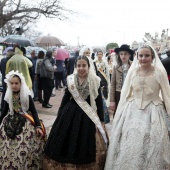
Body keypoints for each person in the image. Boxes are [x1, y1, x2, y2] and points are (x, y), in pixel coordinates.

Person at [104, 44, 170, 169]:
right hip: (131, 110)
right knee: (128, 142)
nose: (143, 58)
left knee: (152, 143)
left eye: (147, 56)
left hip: (154, 111)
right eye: (141, 56)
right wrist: (119, 113)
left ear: (152, 57)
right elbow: (125, 93)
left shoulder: (160, 72)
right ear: (137, 56)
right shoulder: (133, 71)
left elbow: (167, 95)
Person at [43, 56, 108, 170]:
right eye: (79, 66)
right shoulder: (71, 79)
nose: (81, 68)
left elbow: (98, 102)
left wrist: (101, 120)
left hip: (88, 116)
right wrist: (60, 115)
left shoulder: (95, 80)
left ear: (89, 66)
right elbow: (65, 98)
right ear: (75, 67)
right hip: (70, 112)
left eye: (84, 65)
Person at [0, 70, 45, 169]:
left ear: (21, 83)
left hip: (25, 121)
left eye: (16, 83)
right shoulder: (8, 95)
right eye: (11, 83)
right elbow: (3, 111)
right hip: (9, 120)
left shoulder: (26, 95)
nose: (14, 86)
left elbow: (34, 111)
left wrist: (37, 125)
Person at [110, 44, 133, 115]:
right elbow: (113, 84)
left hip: (130, 94)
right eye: (121, 54)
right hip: (118, 93)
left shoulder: (133, 66)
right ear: (119, 55)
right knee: (118, 114)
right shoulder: (116, 67)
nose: (123, 56)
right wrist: (112, 100)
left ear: (129, 55)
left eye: (126, 54)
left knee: (129, 114)